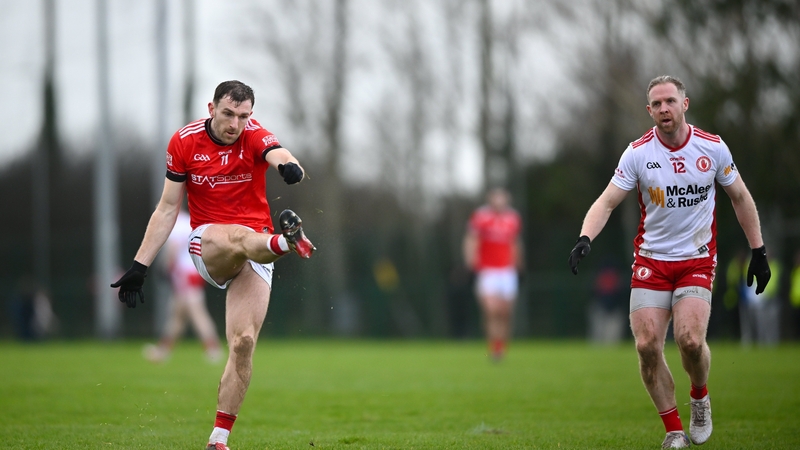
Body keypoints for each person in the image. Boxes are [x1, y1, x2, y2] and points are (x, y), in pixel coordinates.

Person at [567, 75, 771, 449]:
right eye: (657, 104)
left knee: (690, 341)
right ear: (649, 111)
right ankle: (674, 431)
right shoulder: (638, 154)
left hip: (696, 259)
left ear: (685, 104)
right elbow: (607, 201)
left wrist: (758, 251)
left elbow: (740, 197)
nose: (664, 109)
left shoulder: (713, 148)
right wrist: (585, 238)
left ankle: (699, 397)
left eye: (670, 102)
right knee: (647, 346)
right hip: (651, 262)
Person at [111, 80, 316, 450]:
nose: (236, 124)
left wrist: (291, 168)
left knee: (244, 343)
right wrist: (140, 265)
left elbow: (280, 153)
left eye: (244, 116)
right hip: (208, 243)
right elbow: (168, 207)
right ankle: (282, 243)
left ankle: (218, 440)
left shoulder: (252, 135)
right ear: (211, 109)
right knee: (239, 236)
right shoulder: (184, 142)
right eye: (228, 114)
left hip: (254, 247)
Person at [142, 208, 223, 363]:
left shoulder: (175, 222)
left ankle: (213, 349)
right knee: (177, 315)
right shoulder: (187, 221)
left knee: (197, 313)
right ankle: (163, 350)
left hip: (185, 274)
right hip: (192, 272)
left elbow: (174, 248)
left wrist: (165, 267)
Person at [463, 187, 523, 361]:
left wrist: (519, 263)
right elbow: (471, 239)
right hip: (487, 270)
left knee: (506, 312)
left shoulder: (513, 218)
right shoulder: (480, 217)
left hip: (507, 270)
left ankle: (501, 347)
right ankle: (493, 347)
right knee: (491, 310)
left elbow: (515, 242)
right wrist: (471, 261)